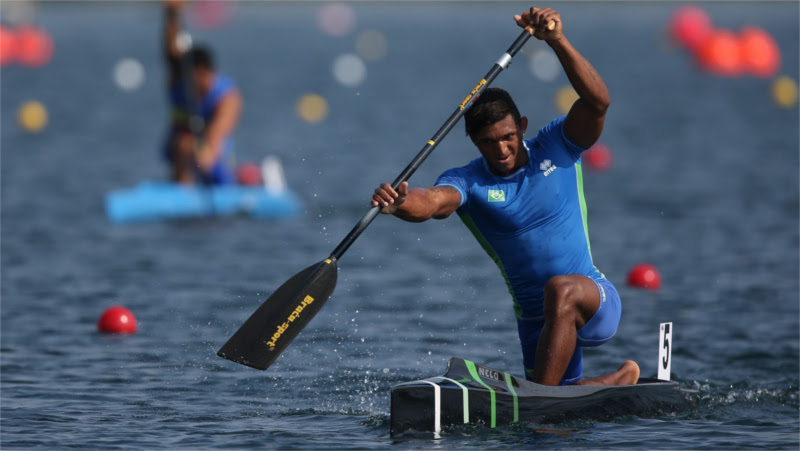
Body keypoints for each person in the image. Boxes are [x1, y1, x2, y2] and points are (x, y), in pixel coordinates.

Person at [371, 6, 639, 386]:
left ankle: (540, 400)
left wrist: (557, 41)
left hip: (593, 298)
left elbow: (598, 102)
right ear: (473, 142)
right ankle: (621, 378)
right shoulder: (468, 182)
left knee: (560, 289)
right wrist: (399, 203)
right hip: (535, 320)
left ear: (522, 126)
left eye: (508, 137)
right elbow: (430, 202)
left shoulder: (557, 145)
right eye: (488, 143)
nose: (500, 150)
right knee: (560, 410)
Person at [162, 0, 242, 185]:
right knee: (182, 143)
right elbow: (170, 53)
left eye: (201, 77)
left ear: (210, 73)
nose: (196, 83)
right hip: (179, 152)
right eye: (192, 77)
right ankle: (182, 186)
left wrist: (207, 153)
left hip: (215, 157)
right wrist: (172, 14)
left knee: (188, 146)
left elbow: (218, 132)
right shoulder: (180, 81)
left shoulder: (227, 97)